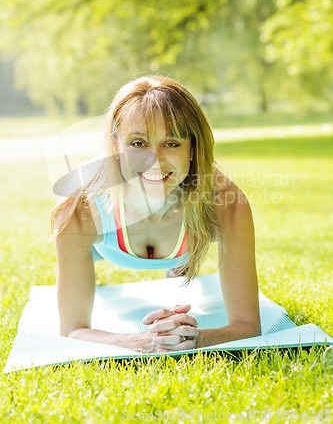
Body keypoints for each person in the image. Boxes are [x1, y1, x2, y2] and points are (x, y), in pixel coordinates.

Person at [51, 75, 260, 353]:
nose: (154, 160)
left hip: (187, 225)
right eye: (138, 143)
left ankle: (177, 265)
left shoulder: (226, 205)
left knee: (184, 251)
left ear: (193, 150)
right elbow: (73, 329)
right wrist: (138, 341)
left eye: (171, 143)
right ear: (116, 147)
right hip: (106, 240)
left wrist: (193, 337)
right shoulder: (79, 209)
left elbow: (247, 324)